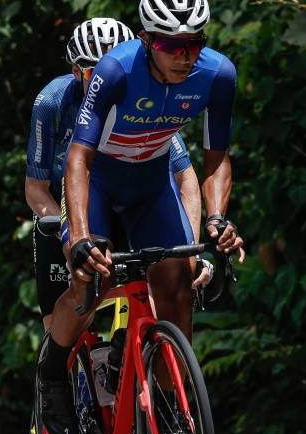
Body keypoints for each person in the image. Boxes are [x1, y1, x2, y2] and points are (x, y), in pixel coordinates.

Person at [37, 0, 245, 434]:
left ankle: (169, 428)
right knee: (88, 286)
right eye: (173, 44)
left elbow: (216, 158)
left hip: (151, 185)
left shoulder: (217, 76)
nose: (185, 55)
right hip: (100, 182)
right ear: (148, 40)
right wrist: (82, 238)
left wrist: (216, 219)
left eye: (195, 43)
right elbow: (78, 158)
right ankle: (52, 374)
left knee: (178, 285)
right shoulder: (115, 71)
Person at [25, 18, 204, 332]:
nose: (102, 82)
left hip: (129, 201)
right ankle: (56, 373)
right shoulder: (52, 101)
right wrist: (66, 231)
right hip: (70, 206)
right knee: (72, 312)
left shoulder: (144, 99)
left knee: (164, 292)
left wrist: (189, 251)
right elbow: (36, 187)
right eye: (92, 73)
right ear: (75, 72)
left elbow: (184, 177)